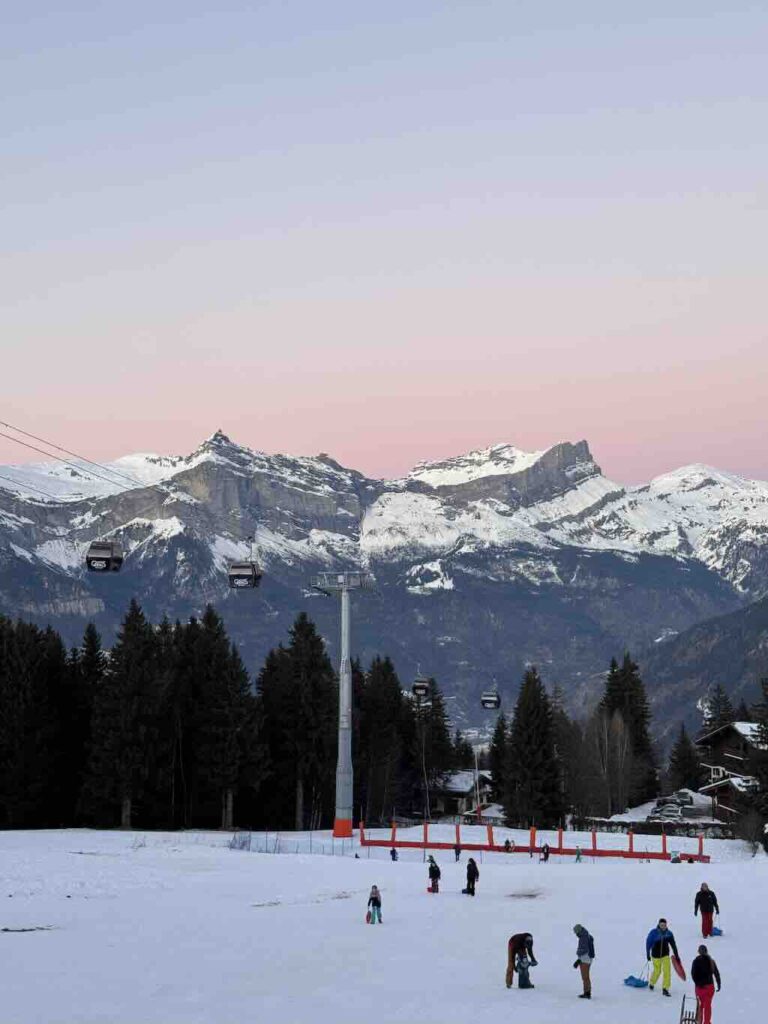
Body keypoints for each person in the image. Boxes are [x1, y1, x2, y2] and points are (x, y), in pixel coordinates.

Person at [645, 917, 680, 997]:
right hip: (655, 956)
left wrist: (677, 955)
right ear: (659, 924)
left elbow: (673, 945)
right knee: (657, 971)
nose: (663, 926)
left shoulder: (669, 934)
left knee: (667, 971)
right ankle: (652, 983)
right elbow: (648, 944)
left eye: (664, 925)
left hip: (665, 955)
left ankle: (665, 988)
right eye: (661, 925)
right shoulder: (653, 933)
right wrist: (647, 954)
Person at [691, 944, 721, 1024]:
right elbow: (716, 973)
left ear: (699, 952)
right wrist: (719, 983)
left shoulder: (696, 961)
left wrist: (698, 984)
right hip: (709, 988)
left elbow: (693, 974)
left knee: (700, 1006)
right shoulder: (711, 961)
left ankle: (699, 1022)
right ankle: (707, 1022)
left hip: (699, 989)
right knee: (708, 1006)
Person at [573, 924, 595, 999]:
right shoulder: (586, 935)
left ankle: (587, 993)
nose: (576, 935)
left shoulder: (583, 937)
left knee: (585, 977)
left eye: (576, 933)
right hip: (587, 959)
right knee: (585, 977)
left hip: (585, 960)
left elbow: (584, 951)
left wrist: (579, 960)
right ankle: (587, 992)